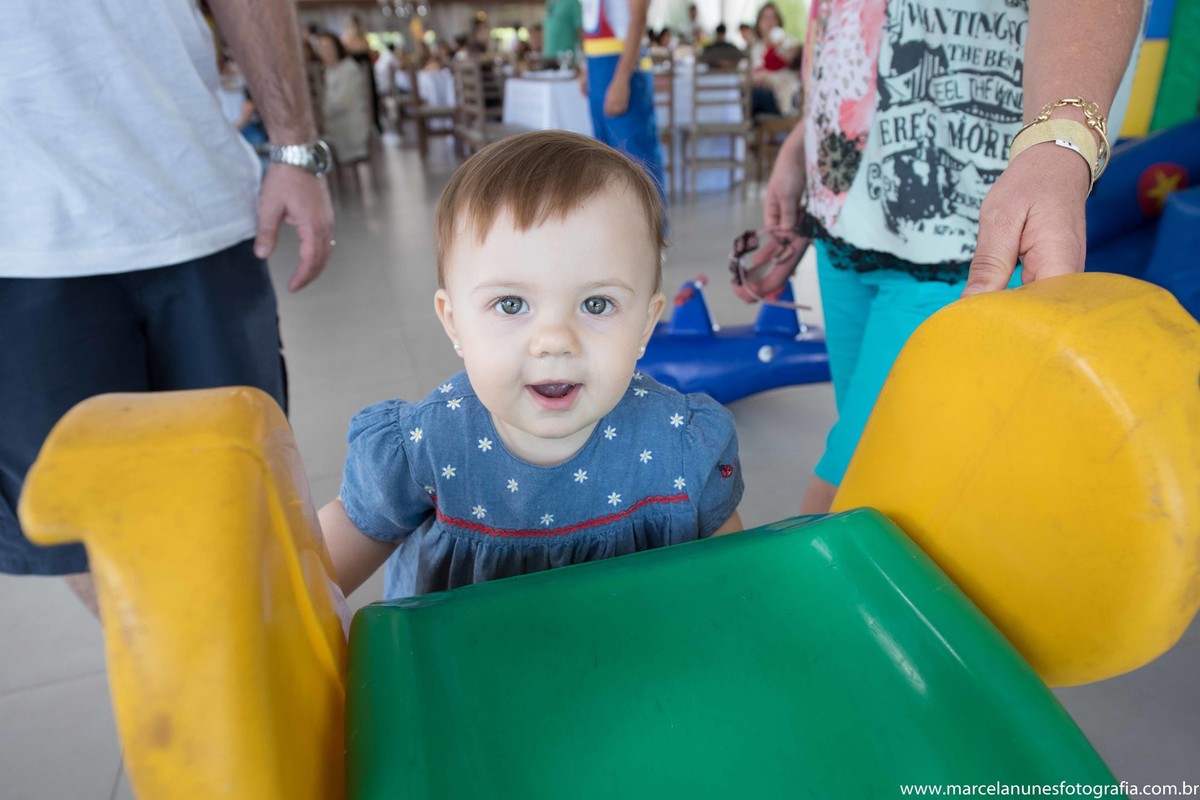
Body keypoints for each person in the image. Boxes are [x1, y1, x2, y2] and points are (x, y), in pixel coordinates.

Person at [739, 0, 1144, 514]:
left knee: (848, 496)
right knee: (886, 487)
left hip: (971, 228)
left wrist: (1059, 141)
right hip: (846, 218)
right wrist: (807, 141)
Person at [0, 0, 335, 607]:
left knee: (248, 507)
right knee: (90, 536)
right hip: (19, 243)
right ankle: (186, 699)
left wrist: (295, 147)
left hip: (187, 196)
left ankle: (260, 691)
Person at [318, 131, 743, 600]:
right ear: (454, 322)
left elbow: (738, 590)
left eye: (597, 304)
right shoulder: (425, 451)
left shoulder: (680, 448)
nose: (554, 342)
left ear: (645, 323)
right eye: (511, 304)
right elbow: (309, 580)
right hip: (462, 668)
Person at [579, 0, 667, 200]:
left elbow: (638, 19)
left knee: (637, 161)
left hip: (623, 69)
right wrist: (587, 67)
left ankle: (651, 229)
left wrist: (621, 78)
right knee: (604, 159)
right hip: (598, 70)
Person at [315, 31, 372, 164]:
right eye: (321, 48)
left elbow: (341, 102)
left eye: (328, 47)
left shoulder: (348, 69)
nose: (325, 52)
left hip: (349, 127)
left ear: (337, 47)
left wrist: (319, 114)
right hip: (334, 125)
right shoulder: (329, 70)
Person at [544, 0, 582, 65]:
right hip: (548, 59)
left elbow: (580, 29)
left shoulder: (572, 2)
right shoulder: (549, 3)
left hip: (567, 59)